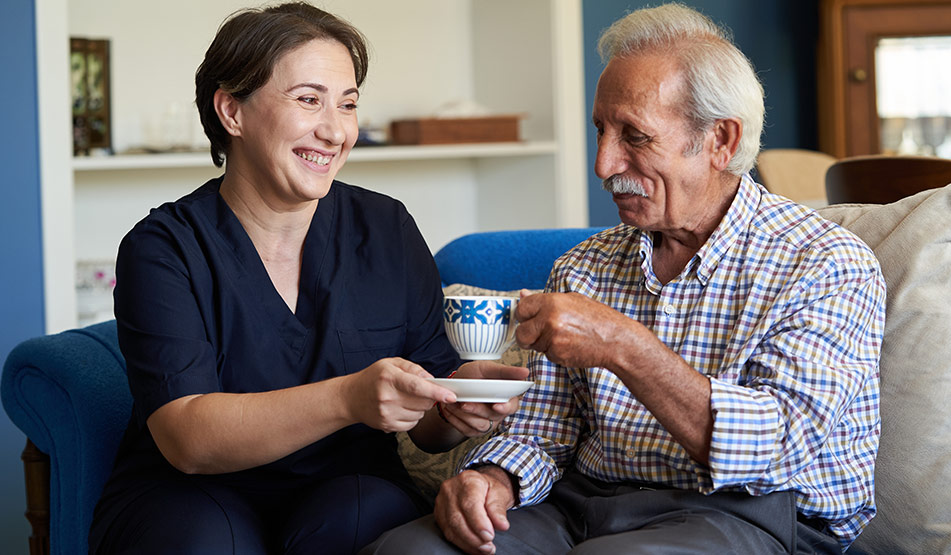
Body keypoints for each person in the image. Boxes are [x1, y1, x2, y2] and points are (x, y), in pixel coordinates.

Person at [365, 3, 885, 554]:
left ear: (721, 142)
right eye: (600, 131)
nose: (603, 164)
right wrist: (493, 478)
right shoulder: (584, 266)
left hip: (749, 512)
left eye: (634, 137)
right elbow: (543, 431)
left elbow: (780, 448)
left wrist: (624, 346)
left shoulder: (825, 263)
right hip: (582, 502)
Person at [87, 3, 527, 554]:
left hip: (347, 488)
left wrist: (456, 403)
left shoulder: (386, 228)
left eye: (347, 105)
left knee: (369, 519)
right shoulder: (164, 248)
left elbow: (424, 426)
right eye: (308, 100)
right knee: (206, 539)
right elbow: (187, 439)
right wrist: (349, 398)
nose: (335, 130)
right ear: (232, 111)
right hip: (191, 492)